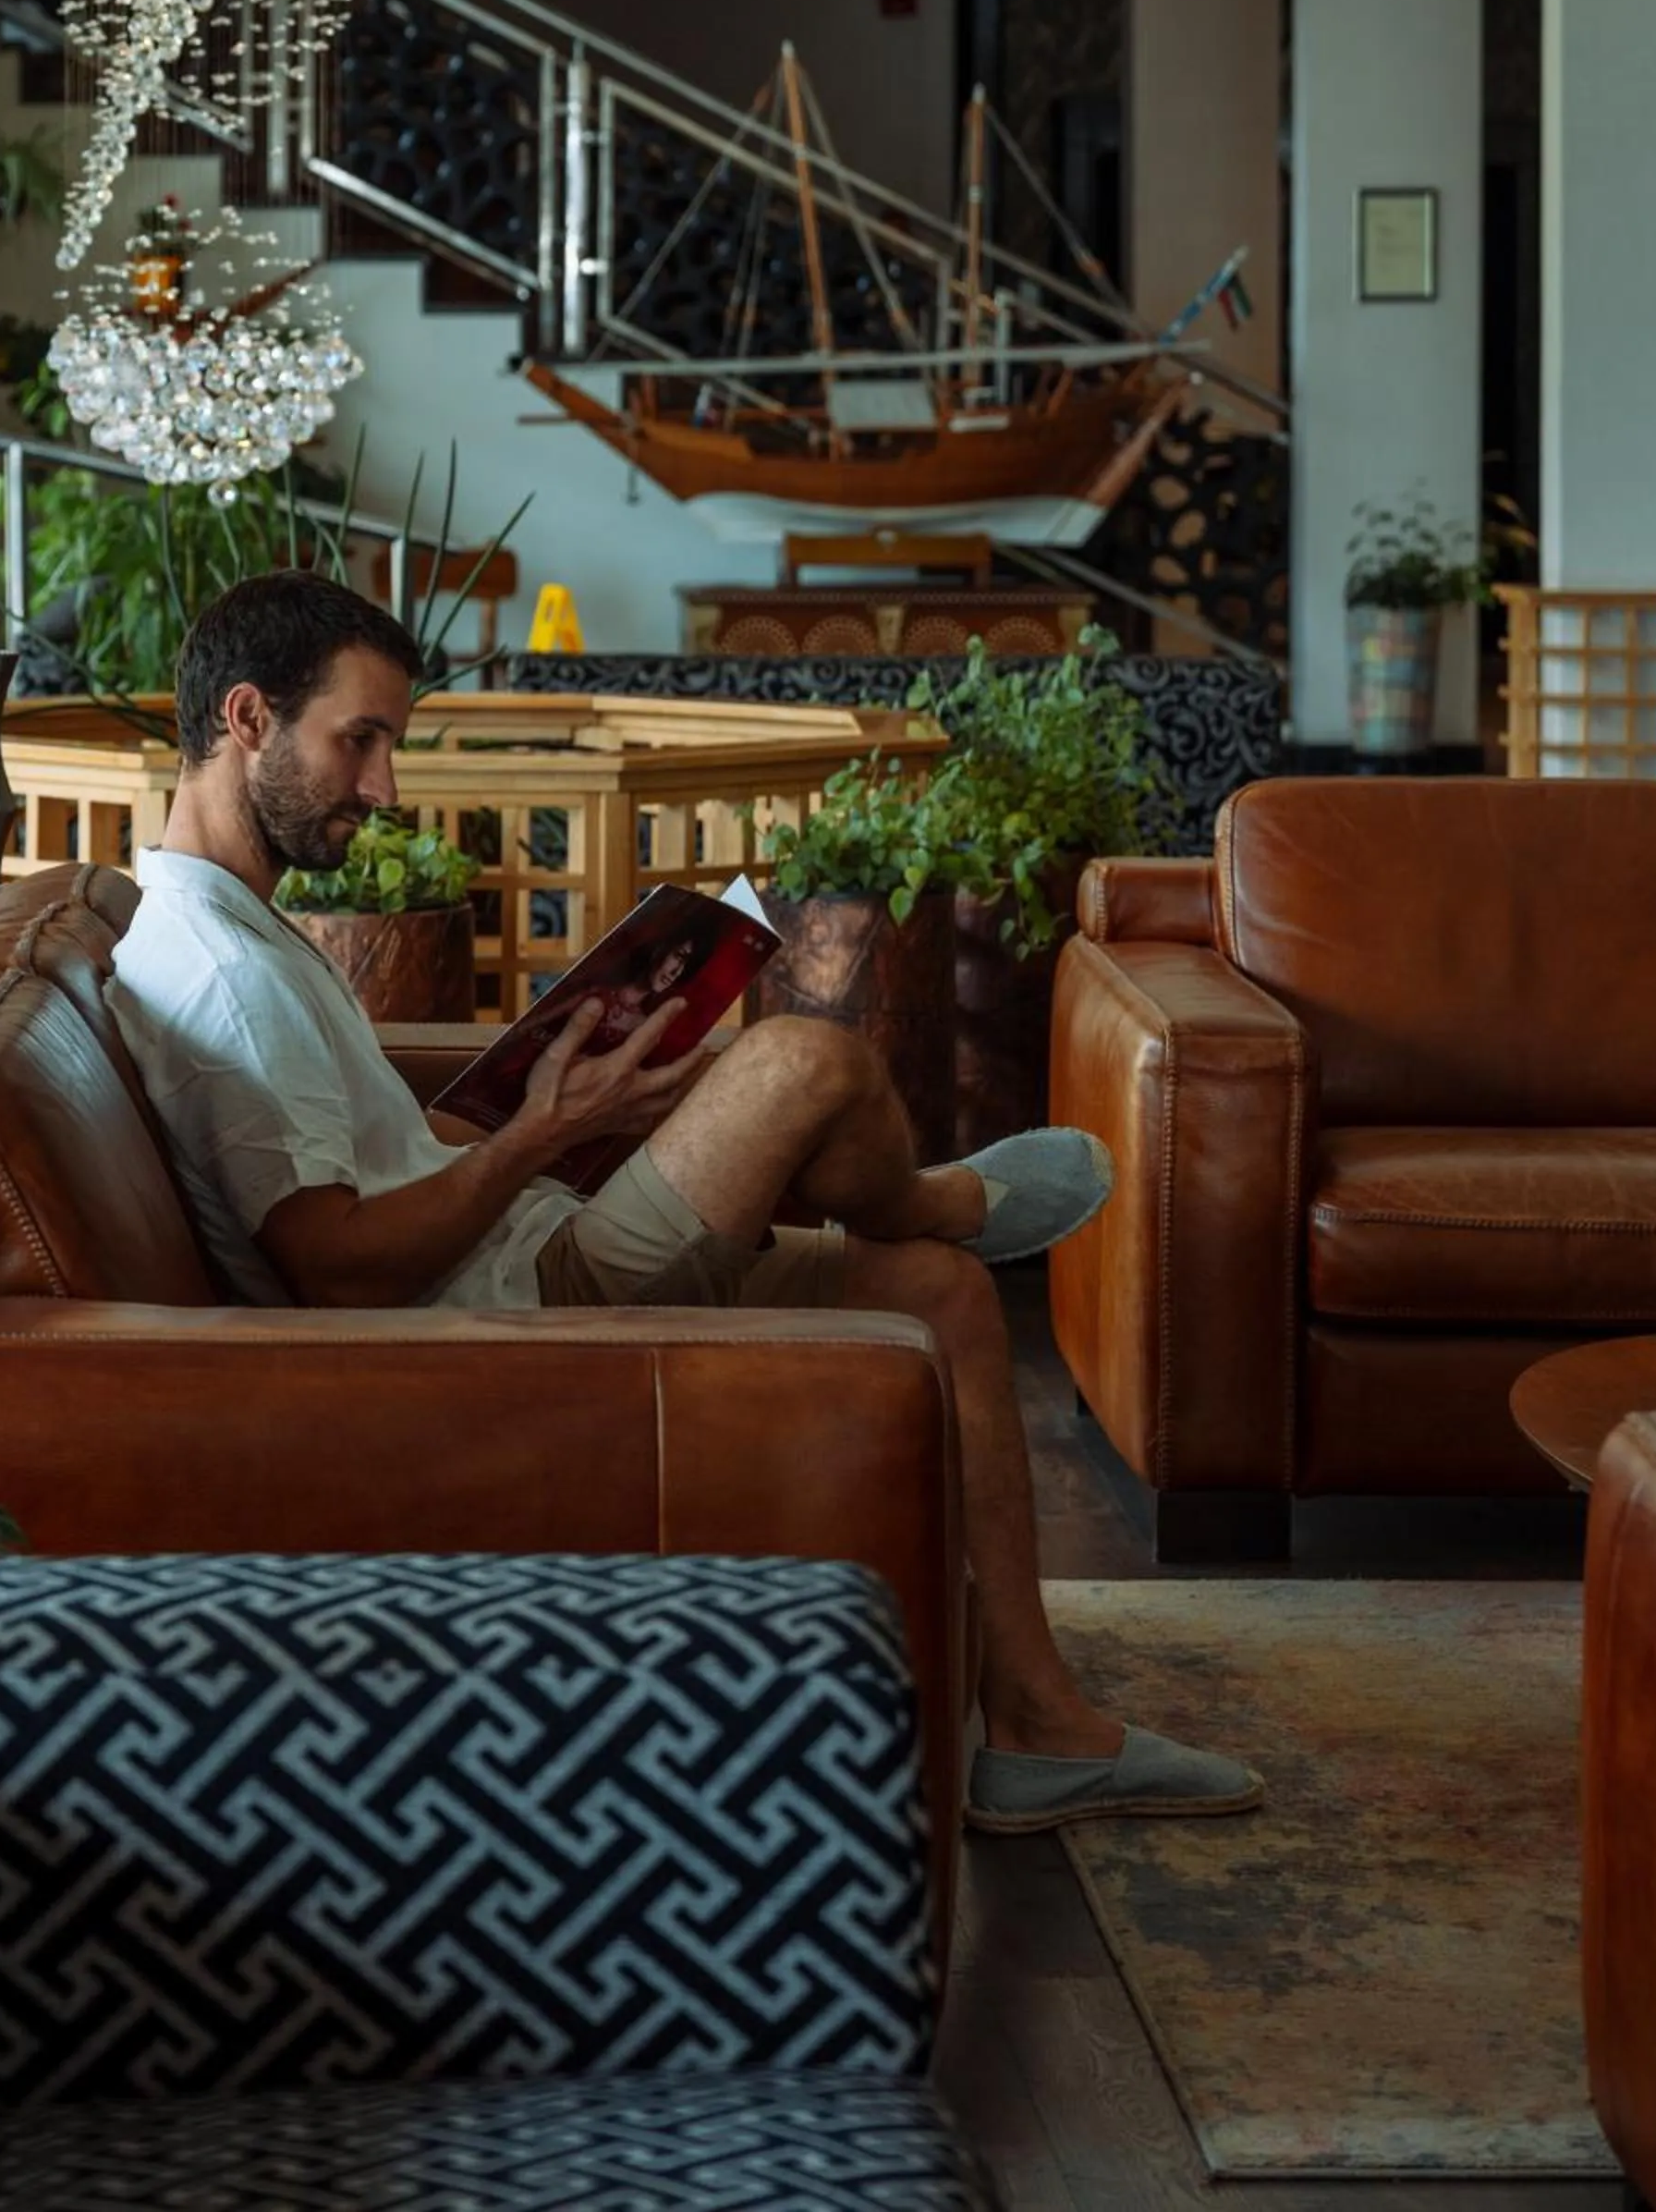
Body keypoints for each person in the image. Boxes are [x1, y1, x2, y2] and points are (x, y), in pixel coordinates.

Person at [110, 571, 1262, 1835]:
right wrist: (547, 1134)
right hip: (502, 1322)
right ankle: (939, 1199)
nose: (385, 788)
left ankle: (1038, 1726)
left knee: (934, 1293)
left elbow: (381, 1155)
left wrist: (557, 1091)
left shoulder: (238, 927)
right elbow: (339, 1270)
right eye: (361, 740)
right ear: (247, 720)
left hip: (518, 1248)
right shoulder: (218, 975)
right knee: (805, 1062)